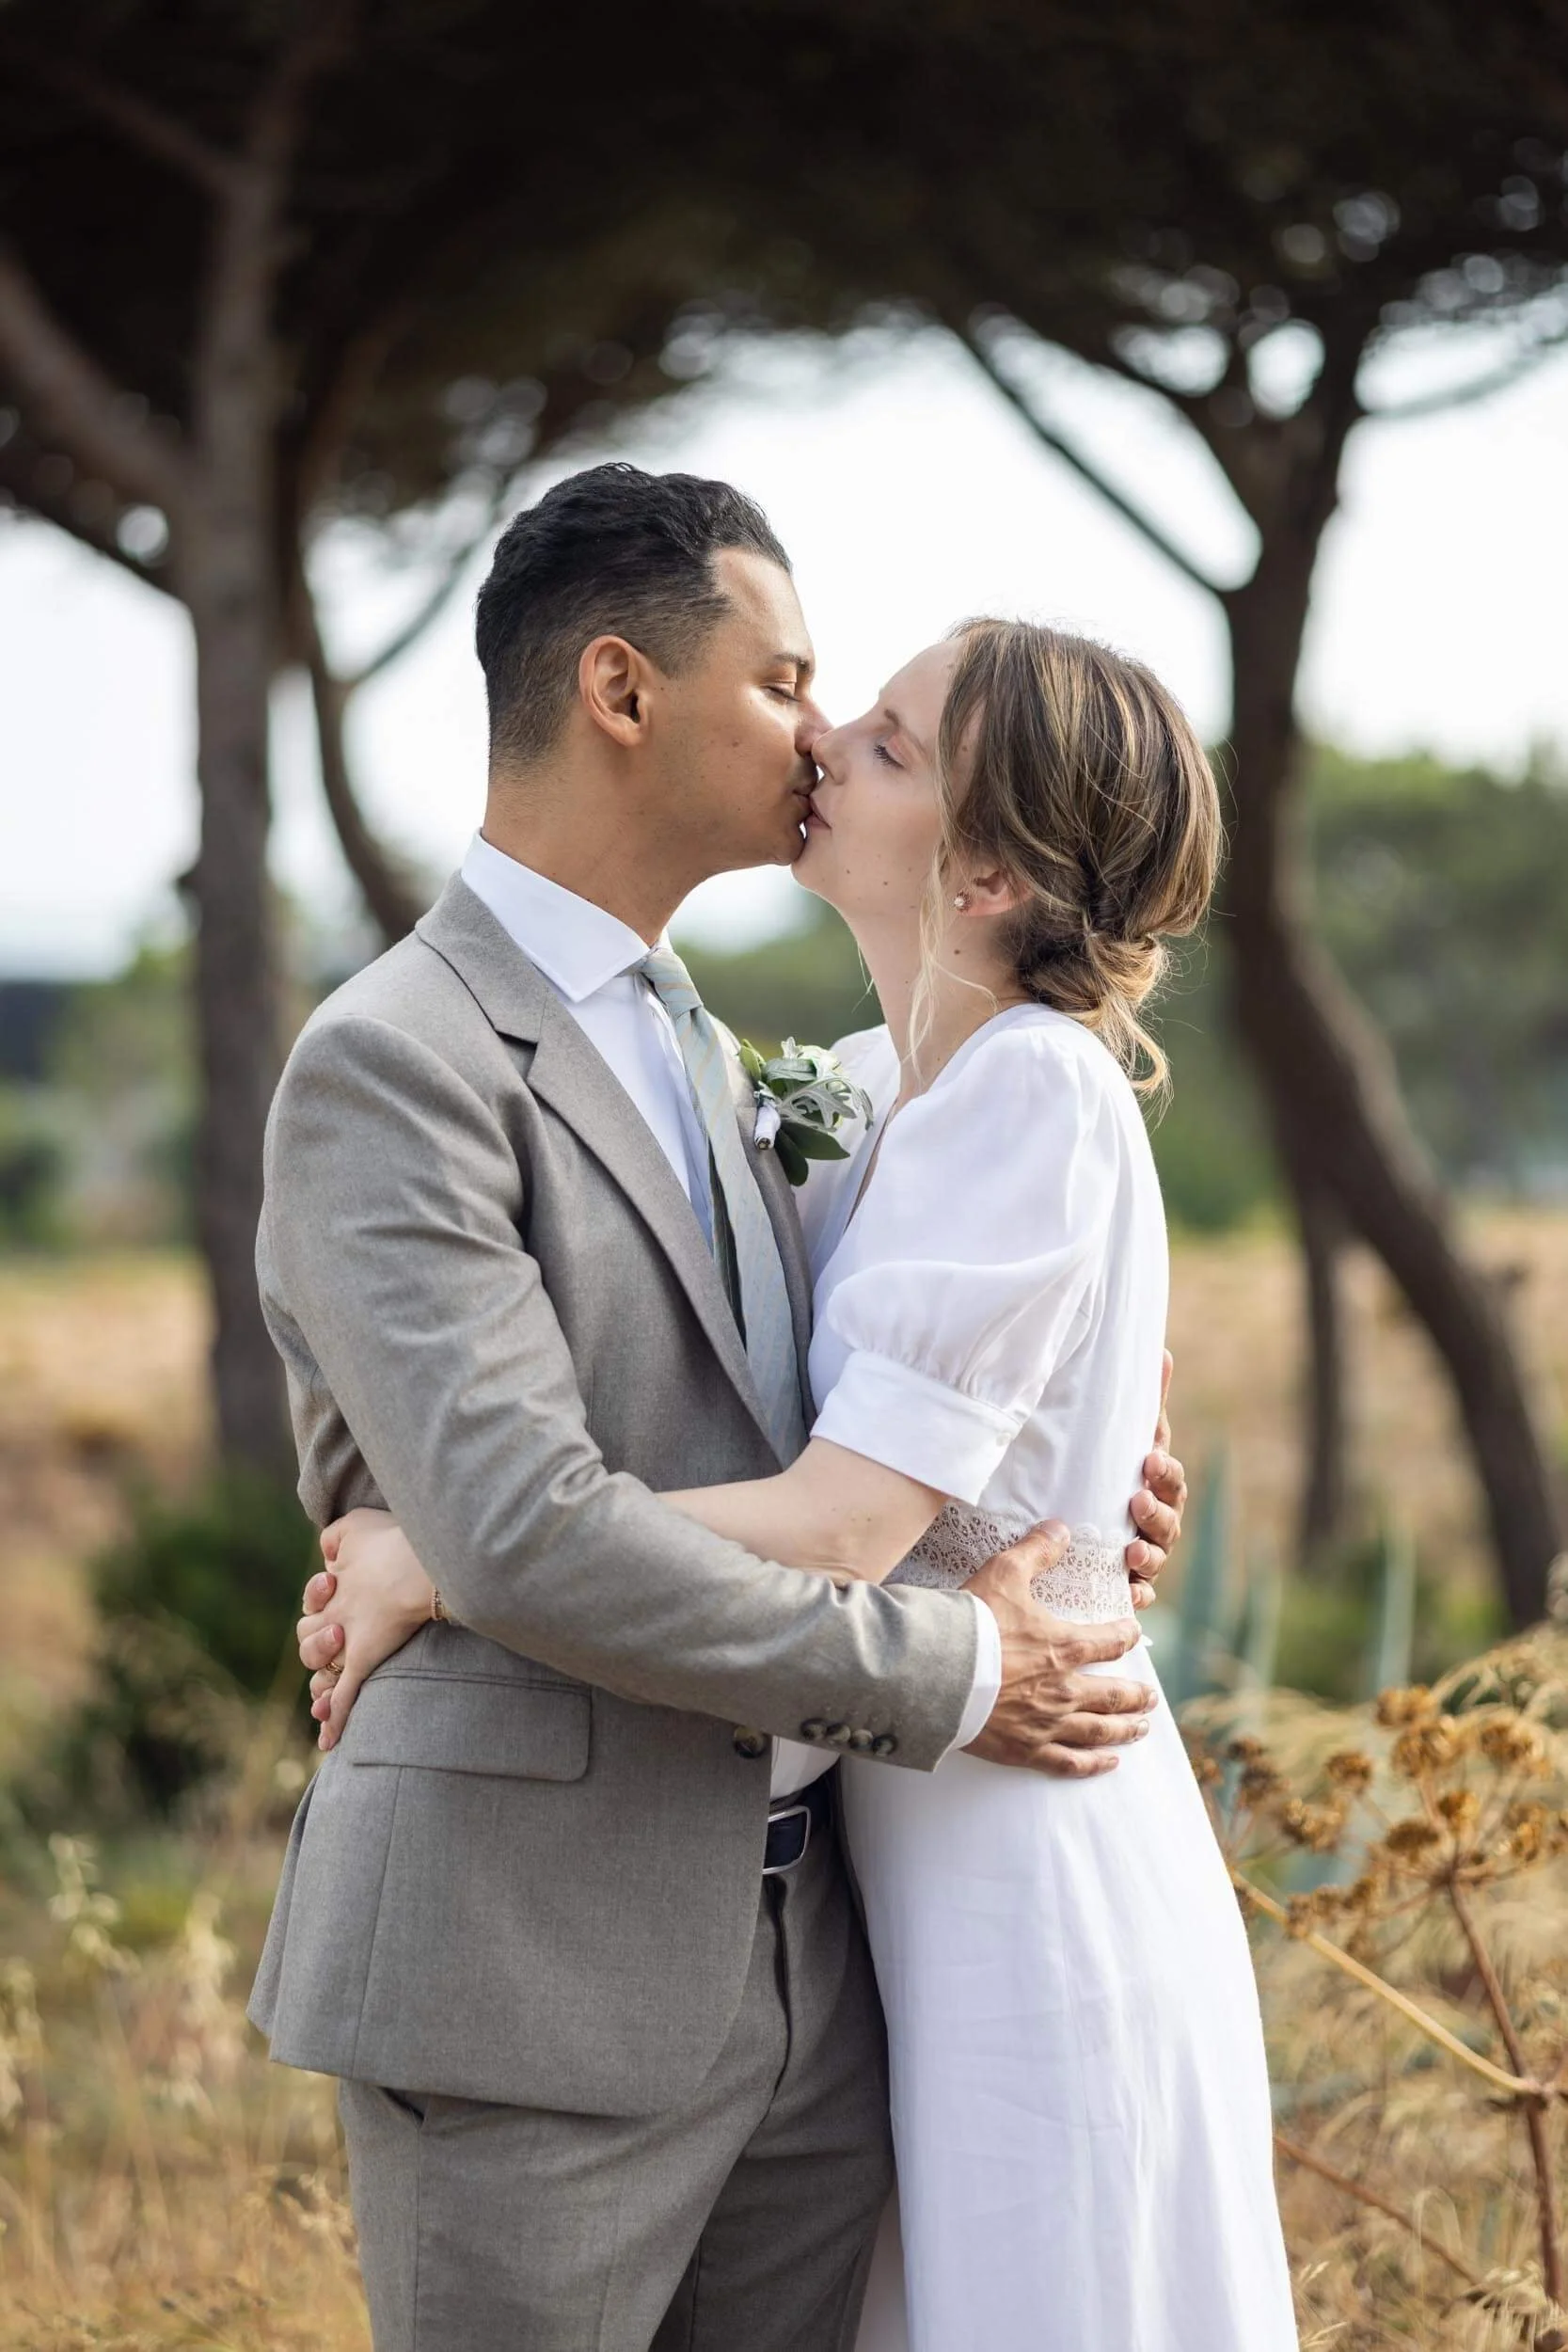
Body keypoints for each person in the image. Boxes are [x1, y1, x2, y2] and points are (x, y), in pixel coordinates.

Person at [254, 462, 1188, 2352]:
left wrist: (1056, 1489)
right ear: (618, 691)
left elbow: (857, 1413)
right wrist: (955, 1657)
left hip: (818, 1970)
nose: (818, 732)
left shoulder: (732, 1055)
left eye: (860, 714)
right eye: (785, 681)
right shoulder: (393, 1065)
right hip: (527, 1983)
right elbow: (520, 1527)